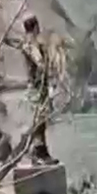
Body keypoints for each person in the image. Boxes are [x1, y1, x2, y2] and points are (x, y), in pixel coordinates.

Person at [18, 15, 56, 165]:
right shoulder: (31, 44)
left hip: (35, 86)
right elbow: (39, 62)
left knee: (39, 120)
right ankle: (39, 153)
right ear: (35, 27)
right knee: (40, 121)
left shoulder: (26, 43)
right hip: (37, 86)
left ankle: (40, 153)